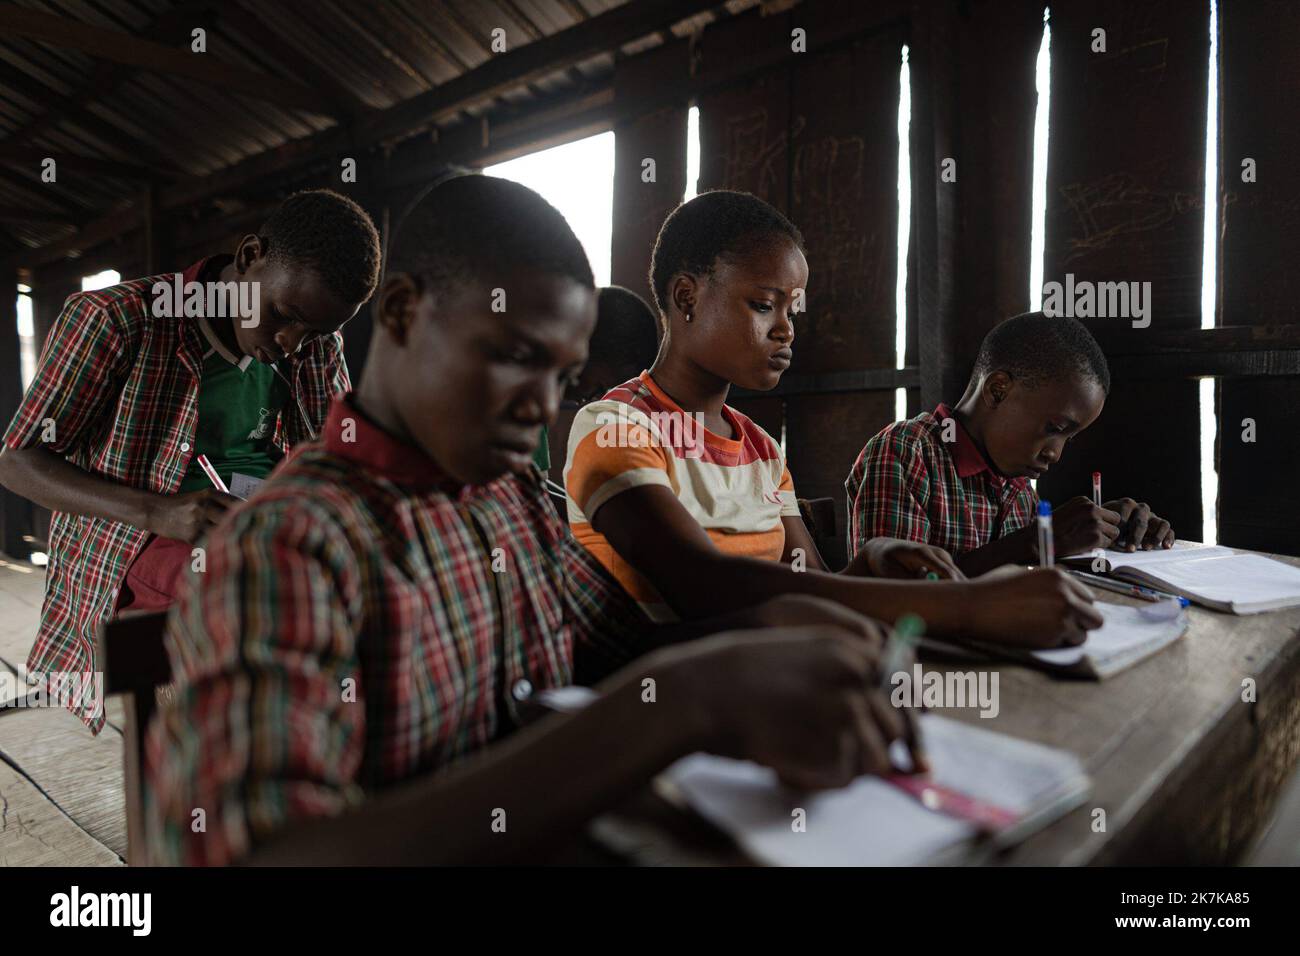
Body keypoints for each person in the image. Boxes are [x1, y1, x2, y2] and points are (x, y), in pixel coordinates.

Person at [145, 174, 915, 866]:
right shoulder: (293, 543)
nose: (542, 408)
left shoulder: (506, 495)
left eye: (563, 377)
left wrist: (772, 629)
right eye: (515, 355)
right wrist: (692, 700)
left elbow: (612, 645)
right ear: (405, 312)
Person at [564, 190, 1101, 647]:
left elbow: (813, 584)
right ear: (687, 296)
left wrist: (871, 562)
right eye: (763, 305)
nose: (786, 330)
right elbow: (703, 583)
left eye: (791, 310)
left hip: (774, 684)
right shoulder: (615, 425)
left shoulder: (761, 451)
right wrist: (964, 604)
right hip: (668, 702)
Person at [0, 189, 380, 732]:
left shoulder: (316, 344)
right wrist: (160, 513)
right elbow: (17, 461)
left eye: (316, 331)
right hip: (141, 539)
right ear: (250, 256)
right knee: (238, 620)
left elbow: (334, 461)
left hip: (255, 535)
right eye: (283, 315)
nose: (291, 343)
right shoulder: (120, 321)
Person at [846, 311, 1177, 577]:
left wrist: (1111, 529)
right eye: (1054, 428)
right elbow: (887, 596)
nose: (1055, 453)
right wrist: (1034, 541)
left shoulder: (1017, 488)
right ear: (998, 391)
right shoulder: (905, 453)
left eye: (1068, 438)